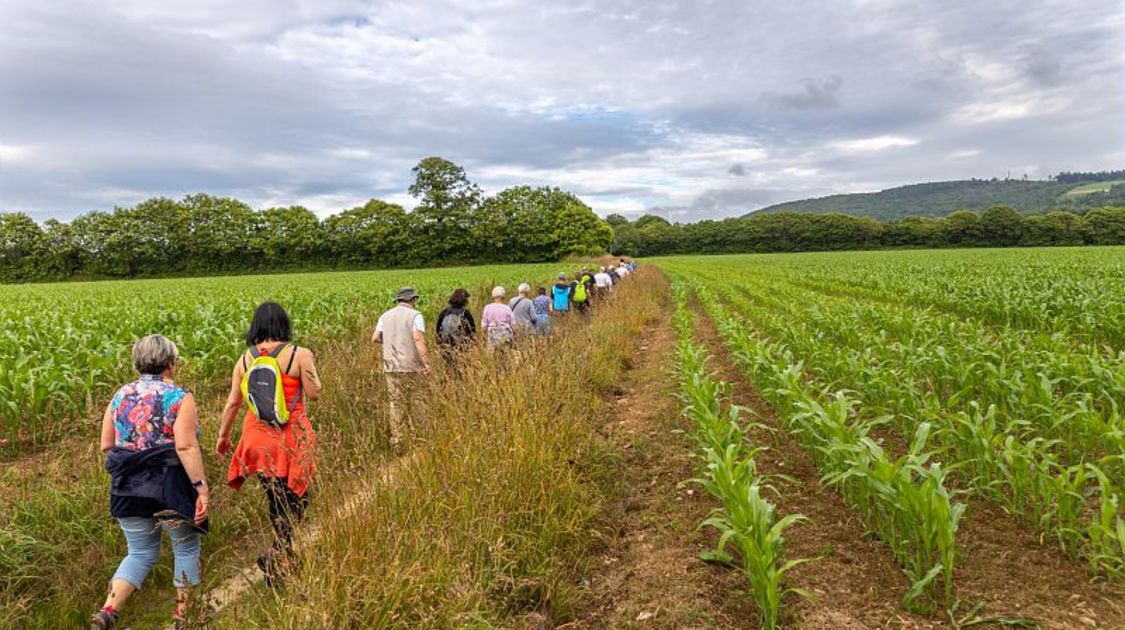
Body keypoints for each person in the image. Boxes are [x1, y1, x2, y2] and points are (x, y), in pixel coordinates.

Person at [92, 335, 208, 630]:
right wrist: (201, 488)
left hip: (128, 487)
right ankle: (183, 619)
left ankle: (108, 611)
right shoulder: (179, 397)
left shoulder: (120, 395)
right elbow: (185, 447)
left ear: (138, 362)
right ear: (171, 363)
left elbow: (107, 444)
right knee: (185, 548)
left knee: (140, 552)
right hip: (171, 487)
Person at [217, 301, 321, 586]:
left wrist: (223, 436)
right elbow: (313, 394)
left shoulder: (245, 359)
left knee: (274, 495)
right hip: (290, 434)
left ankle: (282, 559)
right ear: (284, 324)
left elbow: (233, 402)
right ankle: (278, 551)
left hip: (256, 437)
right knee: (299, 496)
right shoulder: (299, 354)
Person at [373, 287, 431, 454]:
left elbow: (375, 338)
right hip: (411, 365)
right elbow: (418, 339)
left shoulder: (385, 316)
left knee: (396, 403)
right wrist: (426, 363)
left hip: (391, 366)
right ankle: (421, 440)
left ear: (398, 300)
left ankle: (398, 441)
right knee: (418, 402)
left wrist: (392, 341)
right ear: (412, 300)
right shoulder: (415, 315)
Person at [436, 288, 477, 364]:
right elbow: (472, 331)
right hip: (461, 347)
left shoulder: (444, 312)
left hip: (446, 345)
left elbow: (438, 330)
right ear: (465, 300)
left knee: (449, 367)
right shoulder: (466, 313)